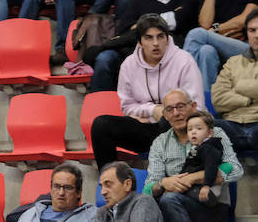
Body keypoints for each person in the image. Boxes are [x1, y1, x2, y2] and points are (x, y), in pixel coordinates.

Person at [90, 14, 203, 169]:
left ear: (167, 38)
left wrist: (165, 114)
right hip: (146, 128)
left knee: (169, 121)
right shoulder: (129, 65)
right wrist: (153, 110)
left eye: (160, 37)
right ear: (140, 42)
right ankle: (108, 181)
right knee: (101, 125)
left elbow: (197, 108)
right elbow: (127, 107)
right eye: (149, 38)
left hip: (179, 128)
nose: (156, 43)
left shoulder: (184, 61)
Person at [88, 0, 200, 91]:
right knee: (105, 58)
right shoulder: (140, 1)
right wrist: (166, 20)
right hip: (134, 51)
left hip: (169, 54)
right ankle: (101, 109)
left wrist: (141, 25)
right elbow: (124, 29)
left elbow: (181, 22)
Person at [143, 89, 243, 222]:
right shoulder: (160, 143)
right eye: (169, 109)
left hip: (211, 204)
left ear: (193, 107)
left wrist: (194, 178)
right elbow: (149, 188)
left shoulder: (213, 133)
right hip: (175, 204)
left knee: (169, 199)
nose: (176, 113)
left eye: (180, 106)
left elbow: (236, 169)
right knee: (153, 202)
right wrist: (163, 183)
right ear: (164, 115)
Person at [152, 110, 223, 207]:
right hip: (191, 189)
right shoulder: (197, 148)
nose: (193, 132)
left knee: (169, 198)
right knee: (157, 199)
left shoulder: (210, 148)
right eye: (190, 129)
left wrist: (206, 185)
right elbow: (187, 168)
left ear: (209, 133)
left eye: (199, 129)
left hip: (203, 191)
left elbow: (211, 167)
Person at [211, 9, 258, 154]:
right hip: (231, 125)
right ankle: (220, 175)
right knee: (202, 127)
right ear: (247, 34)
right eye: (252, 30)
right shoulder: (233, 63)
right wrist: (249, 100)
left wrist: (238, 87)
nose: (257, 35)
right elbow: (218, 99)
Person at [17, 163, 96, 222]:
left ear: (79, 193)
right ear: (50, 189)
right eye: (57, 187)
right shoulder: (31, 214)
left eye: (67, 188)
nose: (61, 193)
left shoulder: (92, 216)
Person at [96, 162, 162, 222]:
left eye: (108, 185)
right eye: (101, 186)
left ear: (127, 184)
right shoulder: (102, 212)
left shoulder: (144, 202)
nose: (102, 192)